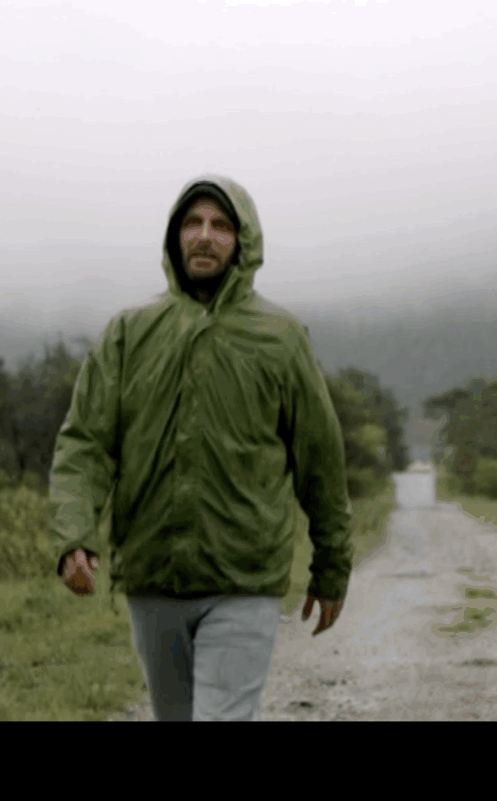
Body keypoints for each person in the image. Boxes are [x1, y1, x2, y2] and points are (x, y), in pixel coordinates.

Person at [49, 175, 352, 722]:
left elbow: (321, 461)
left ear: (243, 241)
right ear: (175, 237)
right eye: (192, 223)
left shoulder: (280, 338)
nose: (204, 236)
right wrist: (75, 533)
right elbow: (85, 444)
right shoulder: (128, 334)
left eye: (220, 225)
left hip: (244, 577)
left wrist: (331, 566)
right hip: (153, 576)